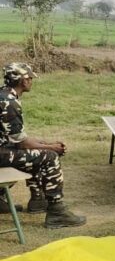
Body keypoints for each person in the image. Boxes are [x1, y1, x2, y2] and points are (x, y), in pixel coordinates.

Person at [0, 63, 85, 228]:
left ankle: (36, 200)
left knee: (36, 151)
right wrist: (51, 148)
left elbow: (16, 137)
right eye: (30, 78)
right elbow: (23, 143)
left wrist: (44, 143)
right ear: (23, 81)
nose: (31, 81)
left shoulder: (3, 95)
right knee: (49, 157)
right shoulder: (9, 103)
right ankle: (56, 211)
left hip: (3, 149)